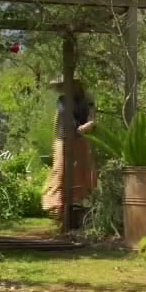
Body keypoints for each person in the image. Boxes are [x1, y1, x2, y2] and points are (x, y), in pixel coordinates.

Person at [42, 77, 97, 226]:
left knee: (82, 171)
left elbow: (92, 118)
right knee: (60, 171)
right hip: (64, 138)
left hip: (81, 138)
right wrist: (77, 129)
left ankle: (79, 204)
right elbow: (65, 118)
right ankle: (57, 206)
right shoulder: (63, 101)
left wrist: (88, 125)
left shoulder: (87, 101)